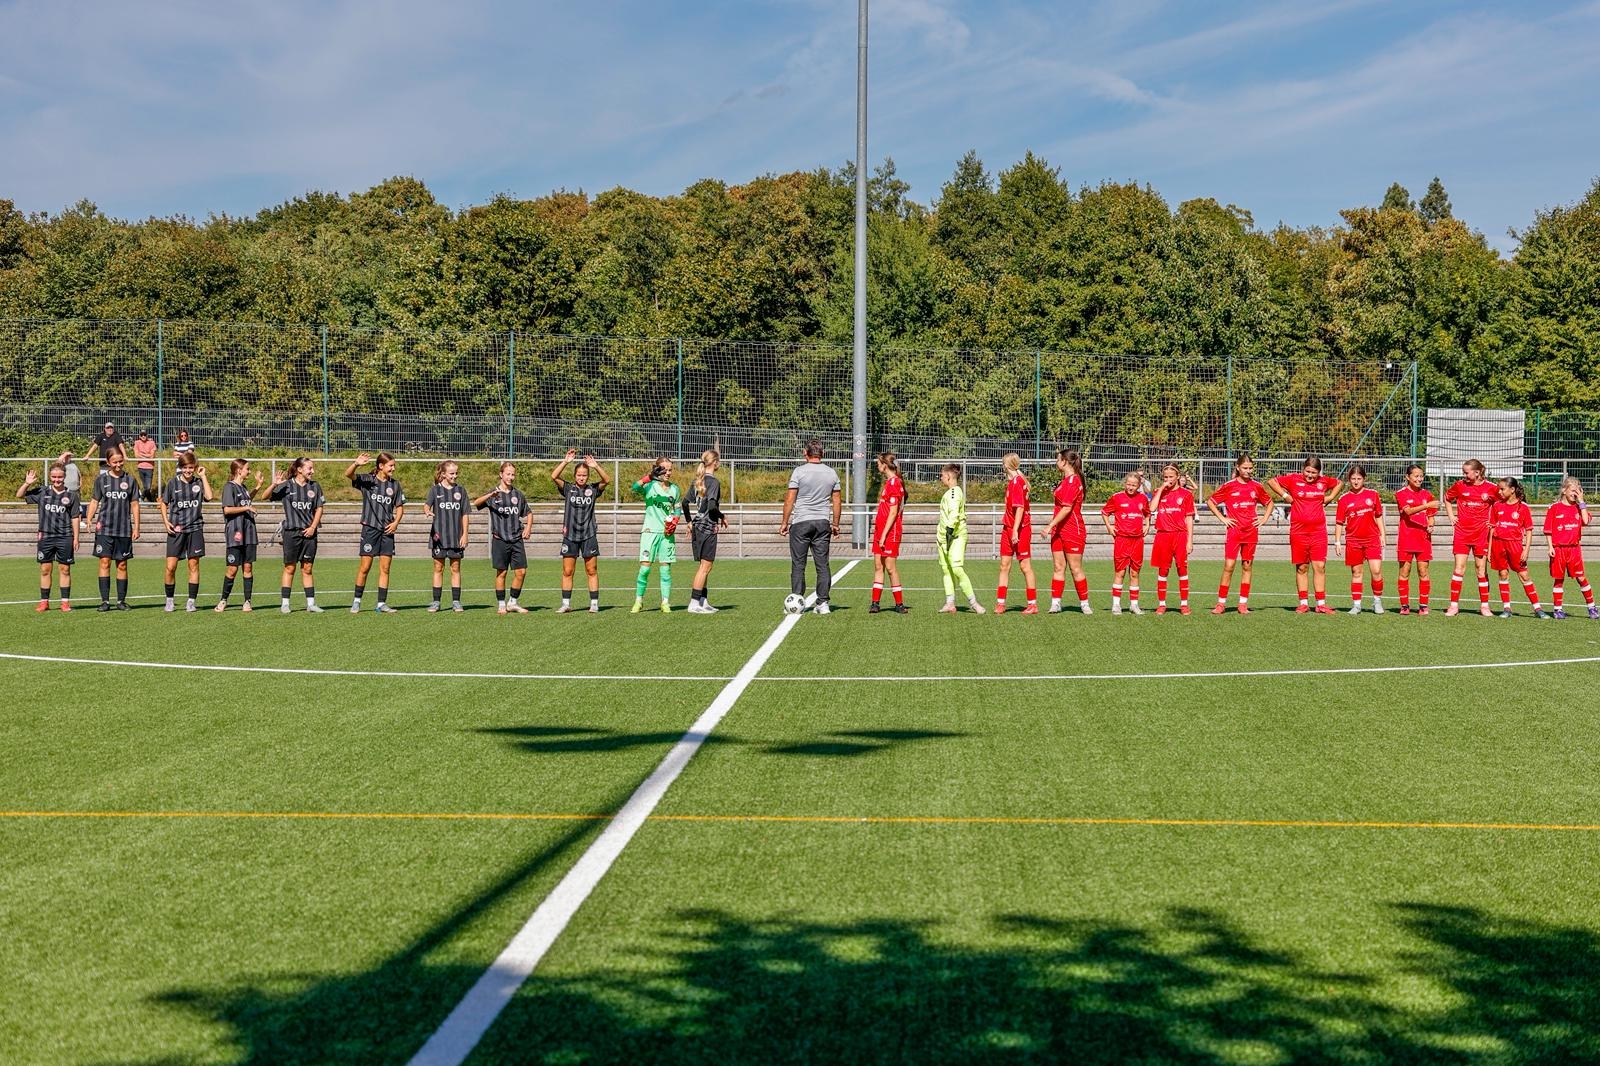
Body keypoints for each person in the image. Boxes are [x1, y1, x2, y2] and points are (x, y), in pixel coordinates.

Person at [1269, 456, 1342, 614]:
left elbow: (1339, 483)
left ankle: (1321, 604)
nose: (1310, 475)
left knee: (1320, 566)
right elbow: (1272, 482)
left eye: (1314, 472)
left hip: (1318, 532)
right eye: (1307, 471)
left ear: (1319, 472)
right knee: (1302, 567)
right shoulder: (1293, 479)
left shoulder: (1323, 481)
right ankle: (1303, 603)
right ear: (1303, 469)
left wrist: (1330, 497)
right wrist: (1285, 496)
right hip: (1298, 531)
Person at [778, 439, 842, 615]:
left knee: (798, 564)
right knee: (822, 564)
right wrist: (835, 524)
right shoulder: (831, 473)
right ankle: (823, 603)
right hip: (822, 522)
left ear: (805, 453)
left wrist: (784, 522)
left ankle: (797, 600)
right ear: (823, 453)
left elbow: (790, 499)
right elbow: (837, 501)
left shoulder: (799, 472)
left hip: (801, 522)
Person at [1206, 456, 1272, 614]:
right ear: (1238, 467)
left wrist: (1264, 518)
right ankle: (1221, 604)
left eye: (1250, 468)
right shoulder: (1229, 486)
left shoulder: (1256, 486)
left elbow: (1269, 502)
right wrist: (1223, 518)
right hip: (1234, 532)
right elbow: (1211, 502)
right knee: (1229, 566)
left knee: (1247, 566)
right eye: (1245, 468)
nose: (1248, 471)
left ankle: (1243, 604)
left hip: (1251, 532)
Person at [346, 452, 406, 614]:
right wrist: (356, 464)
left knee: (385, 569)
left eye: (394, 465)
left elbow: (400, 507)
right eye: (390, 465)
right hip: (370, 529)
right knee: (365, 567)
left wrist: (396, 523)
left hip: (387, 531)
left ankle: (381, 603)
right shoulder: (368, 481)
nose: (393, 468)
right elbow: (348, 475)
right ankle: (356, 601)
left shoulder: (395, 485)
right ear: (381, 466)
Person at [553, 450, 609, 613]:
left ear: (588, 476)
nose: (581, 477)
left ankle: (594, 604)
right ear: (575, 476)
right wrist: (565, 462)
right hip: (570, 535)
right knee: (568, 571)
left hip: (588, 535)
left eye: (584, 475)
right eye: (579, 475)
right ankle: (566, 604)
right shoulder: (568, 488)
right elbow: (554, 476)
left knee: (591, 570)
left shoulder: (593, 489)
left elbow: (607, 480)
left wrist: (596, 465)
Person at [85, 449, 140, 611]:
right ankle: (105, 601)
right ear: (108, 462)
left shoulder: (130, 480)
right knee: (104, 562)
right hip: (105, 529)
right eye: (115, 462)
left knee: (122, 564)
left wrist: (137, 526)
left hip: (123, 529)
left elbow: (135, 504)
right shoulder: (101, 480)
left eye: (120, 461)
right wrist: (89, 519)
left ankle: (121, 601)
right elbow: (94, 501)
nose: (118, 464)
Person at [18, 464, 78, 611]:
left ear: (64, 477)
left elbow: (75, 517)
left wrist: (76, 538)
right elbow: (19, 495)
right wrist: (27, 483)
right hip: (45, 536)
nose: (57, 480)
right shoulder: (42, 491)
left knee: (64, 569)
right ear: (50, 476)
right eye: (54, 477)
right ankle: (44, 602)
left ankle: (65, 602)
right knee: (45, 569)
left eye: (60, 477)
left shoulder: (71, 495)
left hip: (65, 536)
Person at [268, 457, 325, 613]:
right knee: (290, 567)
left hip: (309, 533)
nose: (312, 471)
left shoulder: (315, 486)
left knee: (307, 568)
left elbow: (319, 508)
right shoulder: (287, 485)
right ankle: (285, 604)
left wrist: (313, 527)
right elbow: (265, 497)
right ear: (300, 469)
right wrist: (274, 484)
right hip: (291, 533)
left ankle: (311, 604)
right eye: (310, 468)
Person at [158, 451, 212, 613]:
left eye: (191, 467)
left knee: (193, 565)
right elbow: (164, 503)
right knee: (170, 567)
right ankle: (169, 600)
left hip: (195, 528)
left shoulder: (198, 482)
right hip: (176, 530)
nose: (188, 470)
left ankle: (191, 601)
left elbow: (209, 496)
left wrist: (203, 476)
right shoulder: (172, 483)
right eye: (185, 467)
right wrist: (166, 521)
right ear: (180, 467)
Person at [475, 462, 532, 615]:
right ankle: (501, 604)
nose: (510, 477)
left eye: (513, 474)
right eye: (508, 474)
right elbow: (476, 503)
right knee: (502, 573)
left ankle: (512, 602)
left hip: (516, 539)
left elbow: (528, 512)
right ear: (501, 474)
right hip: (500, 539)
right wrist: (490, 495)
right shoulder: (493, 493)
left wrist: (528, 527)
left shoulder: (518, 495)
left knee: (521, 572)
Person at [1488, 477, 1547, 619]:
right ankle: (1506, 608)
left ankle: (1537, 608)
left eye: (1502, 489)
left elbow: (1529, 530)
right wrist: (1489, 550)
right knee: (1503, 574)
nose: (1499, 492)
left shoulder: (1523, 507)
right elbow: (1492, 528)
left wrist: (1526, 550)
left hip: (1515, 545)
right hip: (1498, 544)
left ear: (1512, 489)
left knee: (1524, 575)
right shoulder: (1496, 506)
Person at [1444, 459, 1496, 617]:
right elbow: (1447, 498)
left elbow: (1501, 505)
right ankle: (1453, 606)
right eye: (1463, 472)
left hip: (1481, 534)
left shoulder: (1491, 488)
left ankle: (1485, 606)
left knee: (1481, 570)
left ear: (1477, 472)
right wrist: (1451, 516)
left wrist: (1493, 521)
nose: (1464, 475)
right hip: (1462, 533)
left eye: (1466, 472)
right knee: (1459, 568)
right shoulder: (1460, 485)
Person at [631, 457, 682, 613]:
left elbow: (677, 509)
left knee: (665, 570)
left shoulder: (675, 489)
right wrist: (649, 477)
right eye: (664, 469)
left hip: (666, 534)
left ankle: (665, 602)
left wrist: (675, 521)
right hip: (649, 532)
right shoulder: (650, 486)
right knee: (645, 569)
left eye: (670, 469)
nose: (668, 472)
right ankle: (638, 601)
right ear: (657, 469)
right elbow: (635, 487)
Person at [1045, 448, 1092, 614]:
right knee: (1058, 566)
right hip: (1058, 530)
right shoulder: (1064, 481)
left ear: (1065, 461)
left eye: (1058, 459)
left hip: (1072, 530)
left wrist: (1049, 525)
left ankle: (1084, 604)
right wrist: (1054, 527)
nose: (1056, 462)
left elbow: (1066, 508)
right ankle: (1056, 603)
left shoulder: (1073, 481)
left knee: (1075, 568)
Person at [1334, 465, 1385, 614]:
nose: (1356, 481)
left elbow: (1378, 516)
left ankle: (1377, 602)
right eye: (1353, 479)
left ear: (1364, 479)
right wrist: (1337, 541)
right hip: (1353, 540)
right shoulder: (1344, 499)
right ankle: (1356, 605)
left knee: (1376, 571)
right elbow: (1339, 522)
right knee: (1356, 572)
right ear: (1349, 480)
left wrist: (1382, 535)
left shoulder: (1373, 495)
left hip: (1372, 539)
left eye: (1359, 478)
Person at [1544, 477, 1596, 620]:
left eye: (1578, 491)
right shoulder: (1554, 508)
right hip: (1558, 549)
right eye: (1573, 490)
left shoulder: (1579, 508)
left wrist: (1582, 502)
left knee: (1581, 578)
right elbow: (1548, 530)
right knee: (1559, 579)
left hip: (1574, 549)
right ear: (1564, 490)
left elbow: (1585, 521)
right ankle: (1557, 609)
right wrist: (1550, 547)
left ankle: (1592, 607)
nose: (1575, 493)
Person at [214, 459, 263, 612]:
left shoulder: (243, 487)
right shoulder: (229, 487)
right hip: (235, 532)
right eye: (247, 469)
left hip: (249, 532)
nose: (249, 471)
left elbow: (245, 500)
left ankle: (247, 601)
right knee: (232, 569)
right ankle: (223, 600)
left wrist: (258, 487)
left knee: (248, 567)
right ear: (239, 470)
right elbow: (227, 510)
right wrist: (247, 508)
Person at [1148, 463, 1196, 615]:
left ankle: (1184, 605)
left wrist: (1190, 540)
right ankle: (1162, 604)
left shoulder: (1186, 494)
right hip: (1163, 535)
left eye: (1171, 477)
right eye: (1165, 477)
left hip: (1180, 535)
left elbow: (1189, 518)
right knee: (1163, 570)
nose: (1168, 480)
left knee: (1182, 569)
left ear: (1177, 477)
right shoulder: (1159, 492)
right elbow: (1151, 508)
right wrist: (1161, 489)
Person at [936, 463, 983, 614]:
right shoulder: (950, 493)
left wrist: (949, 533)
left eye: (942, 475)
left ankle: (974, 603)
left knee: (956, 568)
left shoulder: (954, 493)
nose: (941, 478)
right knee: (946, 570)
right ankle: (950, 603)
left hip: (954, 537)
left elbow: (954, 515)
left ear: (948, 476)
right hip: (943, 537)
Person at [424, 460, 470, 614]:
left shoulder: (461, 491)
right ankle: (436, 602)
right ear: (443, 474)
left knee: (455, 568)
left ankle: (456, 601)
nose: (454, 476)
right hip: (439, 537)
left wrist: (465, 534)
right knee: (438, 568)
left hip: (456, 537)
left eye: (456, 473)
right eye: (451, 473)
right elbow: (426, 505)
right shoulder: (435, 490)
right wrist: (427, 511)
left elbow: (465, 514)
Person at [682, 449, 724, 614]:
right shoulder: (713, 482)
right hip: (707, 527)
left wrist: (689, 522)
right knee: (705, 566)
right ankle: (694, 604)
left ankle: (702, 600)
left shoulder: (698, 480)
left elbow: (685, 503)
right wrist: (722, 516)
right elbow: (712, 507)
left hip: (698, 526)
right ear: (715, 463)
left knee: (704, 565)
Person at [1102, 471, 1150, 615]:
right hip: (1122, 540)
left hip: (1137, 540)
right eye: (1128, 484)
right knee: (1120, 572)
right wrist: (1109, 527)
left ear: (1139, 485)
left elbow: (1147, 513)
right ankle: (1116, 605)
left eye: (1134, 485)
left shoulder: (1143, 498)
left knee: (1135, 573)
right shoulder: (1116, 497)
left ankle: (1134, 605)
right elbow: (1104, 512)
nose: (1130, 487)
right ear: (1125, 484)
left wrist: (1147, 524)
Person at [1393, 463, 1438, 615]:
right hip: (1406, 538)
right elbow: (1408, 512)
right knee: (1404, 572)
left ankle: (1423, 605)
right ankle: (1404, 605)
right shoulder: (1401, 493)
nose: (1419, 479)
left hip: (1423, 539)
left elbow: (1431, 516)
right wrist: (1427, 505)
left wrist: (1431, 524)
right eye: (1416, 476)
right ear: (1408, 477)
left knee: (1423, 571)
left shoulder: (1427, 494)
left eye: (1421, 476)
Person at [995, 453, 1038, 614]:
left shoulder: (1017, 482)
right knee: (1004, 565)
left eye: (1003, 463)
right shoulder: (1014, 481)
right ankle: (1000, 603)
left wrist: (1015, 531)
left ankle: (1032, 604)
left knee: (1025, 566)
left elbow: (1020, 508)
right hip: (1008, 528)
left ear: (1007, 465)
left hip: (1020, 530)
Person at [869, 452, 908, 615]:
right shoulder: (889, 482)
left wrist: (884, 535)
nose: (877, 465)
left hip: (890, 533)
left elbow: (893, 513)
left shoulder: (895, 483)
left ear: (885, 465)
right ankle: (875, 603)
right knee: (878, 566)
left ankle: (899, 604)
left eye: (879, 463)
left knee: (890, 568)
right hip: (881, 531)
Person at [59, 451, 84, 527]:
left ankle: (79, 521)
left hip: (76, 489)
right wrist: (64, 454)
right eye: (67, 456)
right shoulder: (62, 465)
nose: (68, 458)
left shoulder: (74, 465)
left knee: (77, 506)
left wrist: (80, 483)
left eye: (69, 456)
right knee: (65, 505)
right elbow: (58, 462)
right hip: (67, 489)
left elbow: (79, 474)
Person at [132, 430, 158, 500]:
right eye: (142, 435)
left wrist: (142, 455)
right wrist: (147, 456)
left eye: (145, 435)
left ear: (147, 435)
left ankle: (141, 497)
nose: (143, 436)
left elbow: (152, 456)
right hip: (140, 467)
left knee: (148, 487)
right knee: (145, 486)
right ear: (139, 436)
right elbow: (136, 456)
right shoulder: (137, 443)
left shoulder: (151, 443)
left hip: (149, 467)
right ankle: (150, 500)